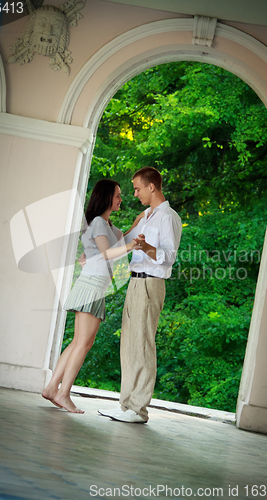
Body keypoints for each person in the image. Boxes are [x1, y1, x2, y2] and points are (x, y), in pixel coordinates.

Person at [42, 179, 139, 413]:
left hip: (94, 286)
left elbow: (121, 239)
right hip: (92, 286)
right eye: (117, 195)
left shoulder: (108, 226)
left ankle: (52, 388)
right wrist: (131, 246)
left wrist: (138, 223)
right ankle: (63, 394)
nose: (121, 199)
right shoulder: (97, 223)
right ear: (106, 197)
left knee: (79, 342)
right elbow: (108, 253)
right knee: (83, 343)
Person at [99, 166, 182, 423]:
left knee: (143, 345)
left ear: (151, 187)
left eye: (137, 188)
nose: (135, 194)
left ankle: (139, 409)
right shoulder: (145, 216)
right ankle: (126, 405)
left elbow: (169, 257)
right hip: (135, 284)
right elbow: (124, 244)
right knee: (130, 345)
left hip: (151, 284)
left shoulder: (168, 217)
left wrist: (146, 246)